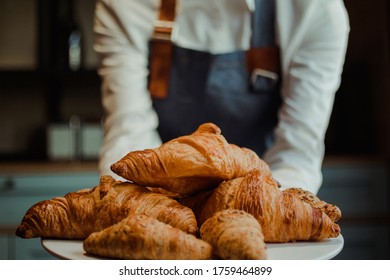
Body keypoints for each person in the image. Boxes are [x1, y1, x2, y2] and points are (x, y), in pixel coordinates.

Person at [93, 0, 350, 195]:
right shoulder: (125, 5)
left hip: (268, 192)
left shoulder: (316, 9)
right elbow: (129, 137)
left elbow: (294, 157)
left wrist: (257, 212)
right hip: (157, 201)